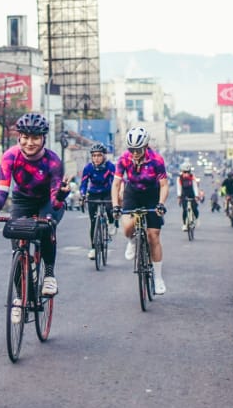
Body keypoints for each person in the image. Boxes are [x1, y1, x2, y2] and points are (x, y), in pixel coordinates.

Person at [0, 112, 67, 296]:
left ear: (43, 139)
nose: (30, 143)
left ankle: (49, 275)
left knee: (46, 226)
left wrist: (61, 196)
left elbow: (55, 201)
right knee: (17, 245)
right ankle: (22, 298)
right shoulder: (9, 157)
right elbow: (2, 191)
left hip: (47, 200)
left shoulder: (53, 161)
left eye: (36, 138)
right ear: (19, 137)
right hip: (22, 199)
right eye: (25, 137)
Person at [112, 126, 170, 294]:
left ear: (145, 146)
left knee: (153, 236)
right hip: (132, 192)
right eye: (131, 149)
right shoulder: (124, 158)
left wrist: (160, 203)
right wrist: (116, 205)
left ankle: (158, 278)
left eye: (138, 149)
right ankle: (132, 241)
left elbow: (164, 185)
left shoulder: (156, 160)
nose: (134, 153)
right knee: (127, 227)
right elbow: (116, 184)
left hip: (152, 194)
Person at [79, 143, 117, 259]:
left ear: (104, 156)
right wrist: (82, 195)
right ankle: (94, 248)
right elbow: (84, 184)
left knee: (110, 208)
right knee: (93, 222)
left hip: (107, 192)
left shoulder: (110, 166)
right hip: (93, 193)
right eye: (94, 156)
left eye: (99, 155)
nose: (96, 158)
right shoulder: (88, 168)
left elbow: (116, 182)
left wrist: (118, 196)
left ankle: (111, 222)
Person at [178, 164, 202, 230]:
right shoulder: (180, 178)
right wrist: (179, 197)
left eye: (188, 172)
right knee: (185, 210)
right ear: (182, 172)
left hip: (192, 195)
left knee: (194, 208)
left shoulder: (192, 177)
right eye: (184, 172)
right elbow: (179, 188)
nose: (186, 173)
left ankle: (197, 219)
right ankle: (185, 224)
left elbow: (195, 187)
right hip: (184, 195)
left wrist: (196, 196)